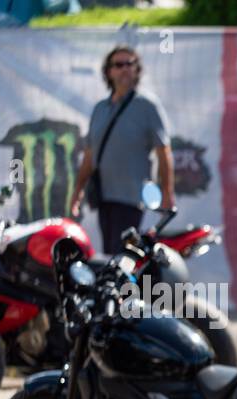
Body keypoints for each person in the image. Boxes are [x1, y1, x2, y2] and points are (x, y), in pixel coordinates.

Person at [70, 46, 175, 253]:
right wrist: (79, 189)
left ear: (137, 70)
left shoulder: (147, 105)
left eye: (130, 64)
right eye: (119, 65)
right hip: (103, 196)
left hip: (131, 198)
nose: (125, 69)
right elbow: (90, 154)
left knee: (123, 257)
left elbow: (163, 151)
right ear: (109, 71)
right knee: (110, 254)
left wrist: (167, 193)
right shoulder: (100, 108)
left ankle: (131, 287)